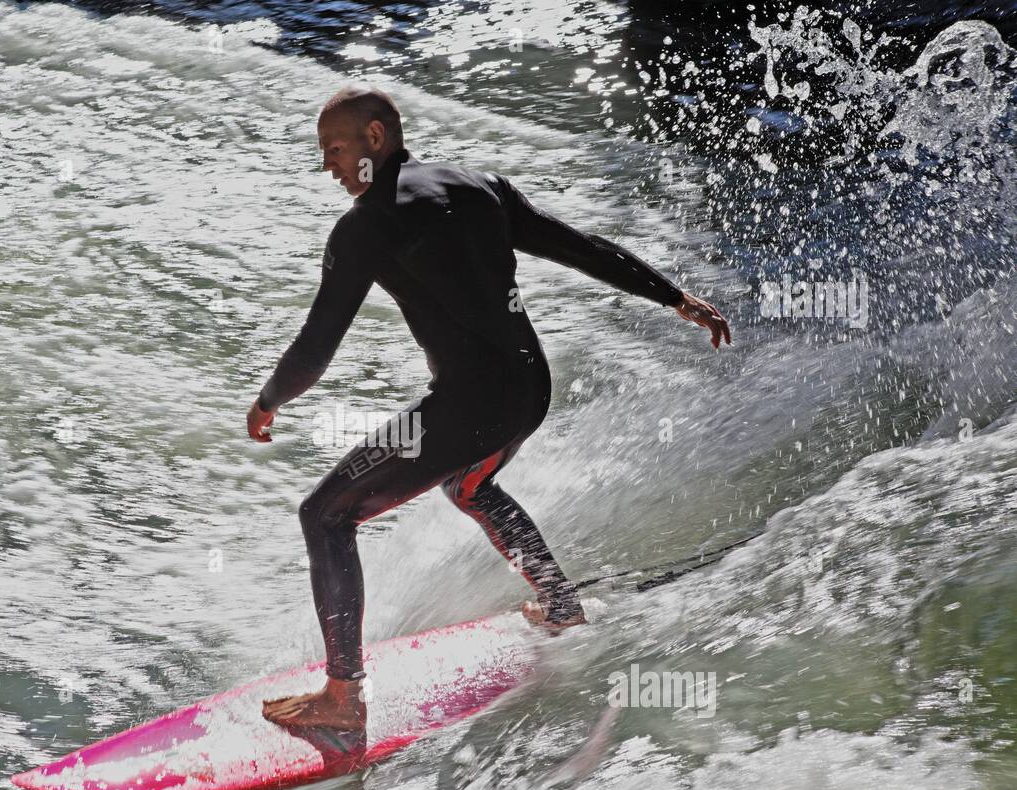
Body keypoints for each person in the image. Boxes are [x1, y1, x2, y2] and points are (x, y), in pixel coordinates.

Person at [248, 85, 730, 731]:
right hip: (528, 389)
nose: (328, 166)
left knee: (325, 516)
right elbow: (581, 248)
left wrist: (269, 401)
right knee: (468, 484)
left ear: (375, 137)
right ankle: (560, 604)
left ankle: (343, 697)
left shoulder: (365, 227)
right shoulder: (479, 185)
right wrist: (672, 296)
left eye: (334, 149)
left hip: (471, 402)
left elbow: (315, 348)